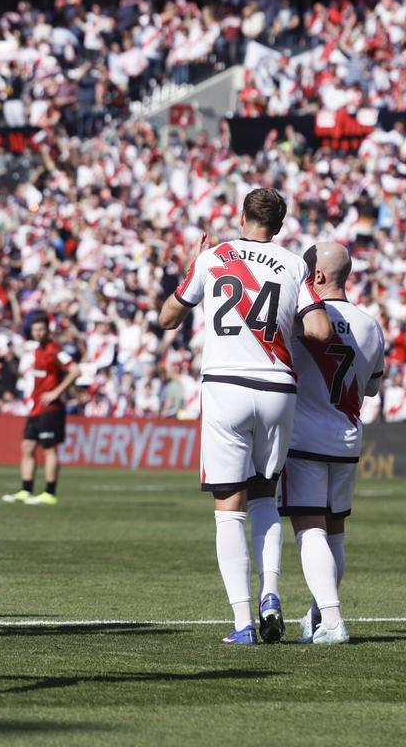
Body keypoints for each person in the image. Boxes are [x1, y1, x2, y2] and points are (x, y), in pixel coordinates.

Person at [158, 187, 332, 644]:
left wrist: (194, 268)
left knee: (227, 508)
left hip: (226, 385)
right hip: (277, 388)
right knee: (264, 498)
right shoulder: (294, 264)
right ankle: (271, 593)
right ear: (279, 226)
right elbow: (318, 329)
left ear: (241, 217)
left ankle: (242, 623)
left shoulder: (214, 257)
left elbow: (167, 318)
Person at [280, 243, 385, 645]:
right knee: (335, 530)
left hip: (306, 436)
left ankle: (333, 619)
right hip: (347, 436)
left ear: (318, 277)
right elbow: (373, 388)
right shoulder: (370, 324)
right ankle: (318, 615)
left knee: (309, 529)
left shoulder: (299, 318)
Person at [4, 313, 80, 505]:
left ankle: (49, 493)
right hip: (36, 407)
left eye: (42, 329)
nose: (38, 332)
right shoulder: (36, 350)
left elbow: (75, 370)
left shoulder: (55, 350)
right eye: (35, 329)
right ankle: (26, 490)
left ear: (48, 330)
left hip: (51, 408)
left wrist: (56, 392)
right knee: (27, 447)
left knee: (49, 449)